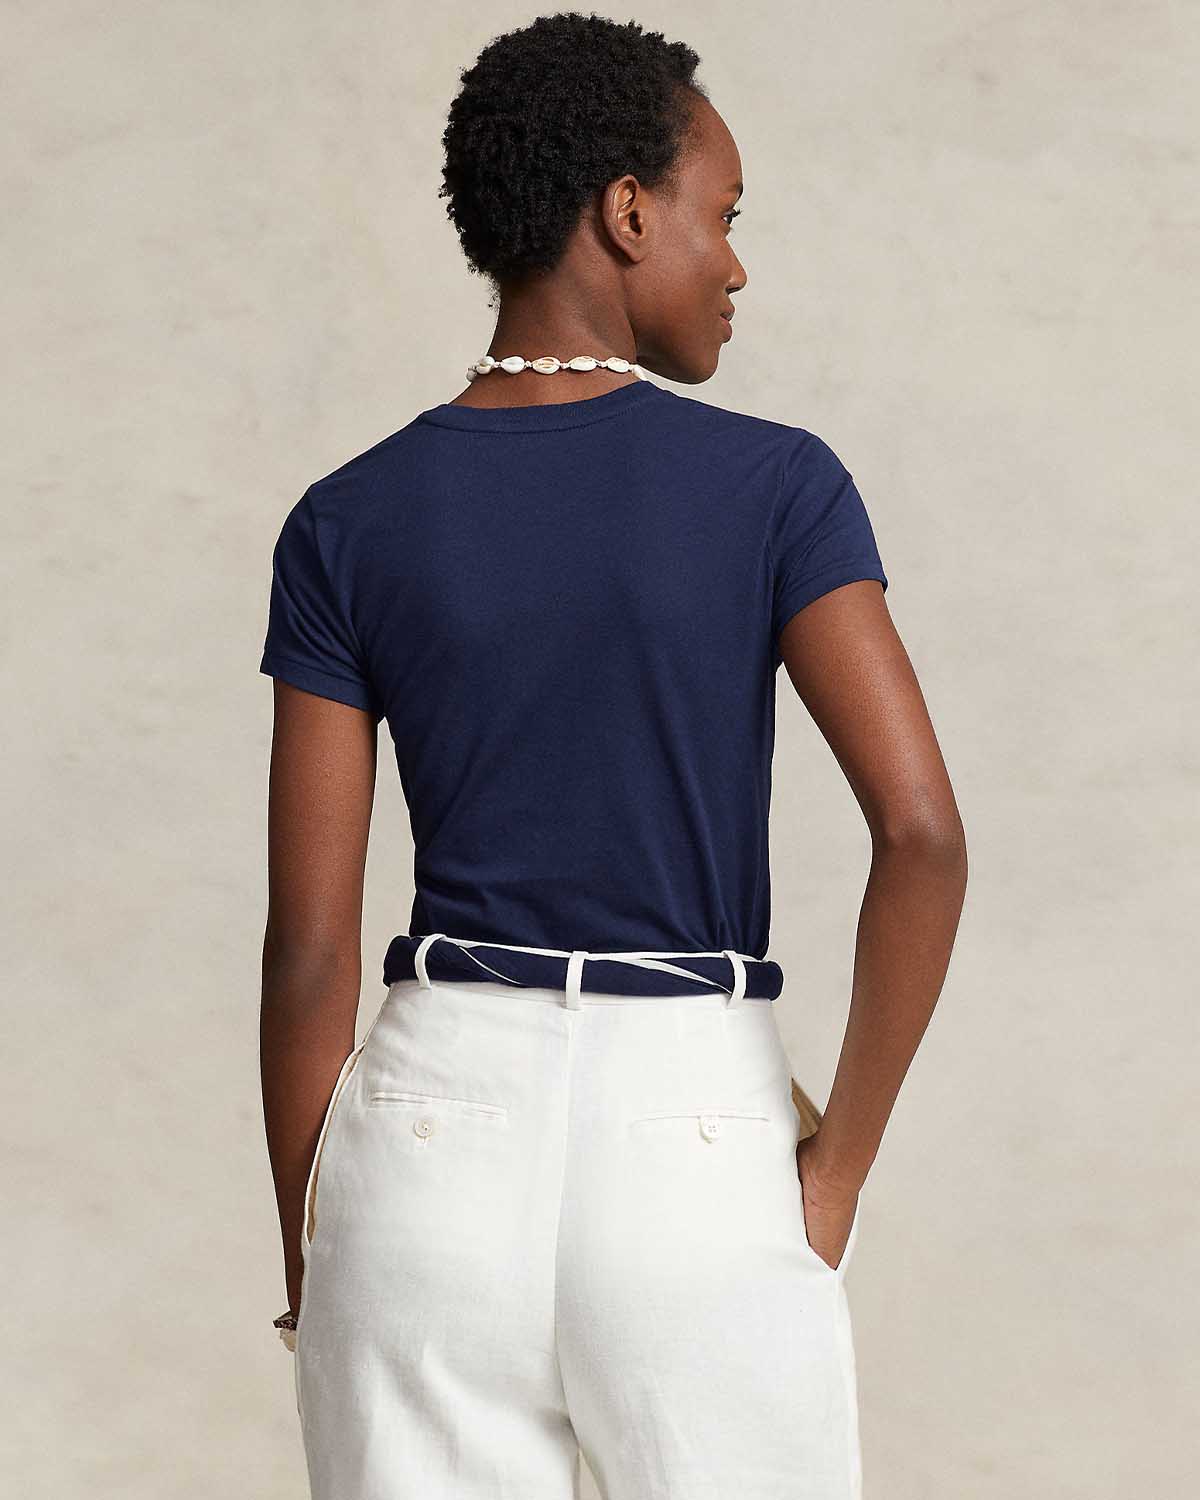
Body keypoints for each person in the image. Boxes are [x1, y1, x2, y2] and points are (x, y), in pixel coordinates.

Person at [258, 13, 967, 1500]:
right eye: (725, 214)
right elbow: (922, 834)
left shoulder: (347, 518)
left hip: (427, 1139)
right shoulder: (776, 486)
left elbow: (311, 950)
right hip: (692, 1139)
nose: (736, 264)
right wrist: (835, 1178)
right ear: (628, 212)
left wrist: (317, 1245)